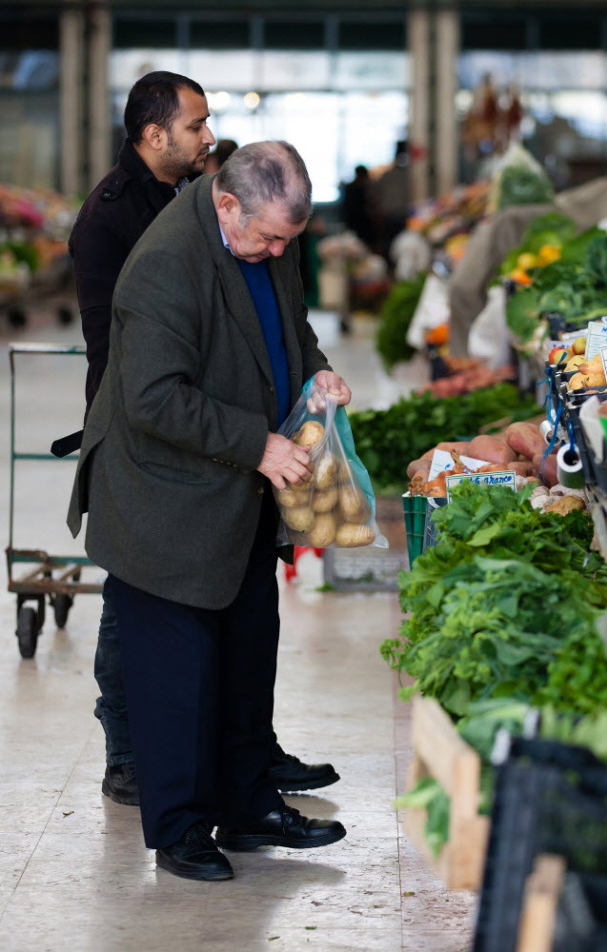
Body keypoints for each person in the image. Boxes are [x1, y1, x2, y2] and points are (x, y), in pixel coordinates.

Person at [67, 140, 350, 881]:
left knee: (247, 656)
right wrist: (256, 444)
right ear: (227, 203)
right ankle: (182, 827)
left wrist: (317, 371)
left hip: (240, 488)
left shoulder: (267, 232)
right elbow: (153, 397)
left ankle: (250, 803)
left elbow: (290, 323)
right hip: (165, 496)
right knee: (178, 678)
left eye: (290, 238)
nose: (280, 250)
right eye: (269, 238)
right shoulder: (164, 263)